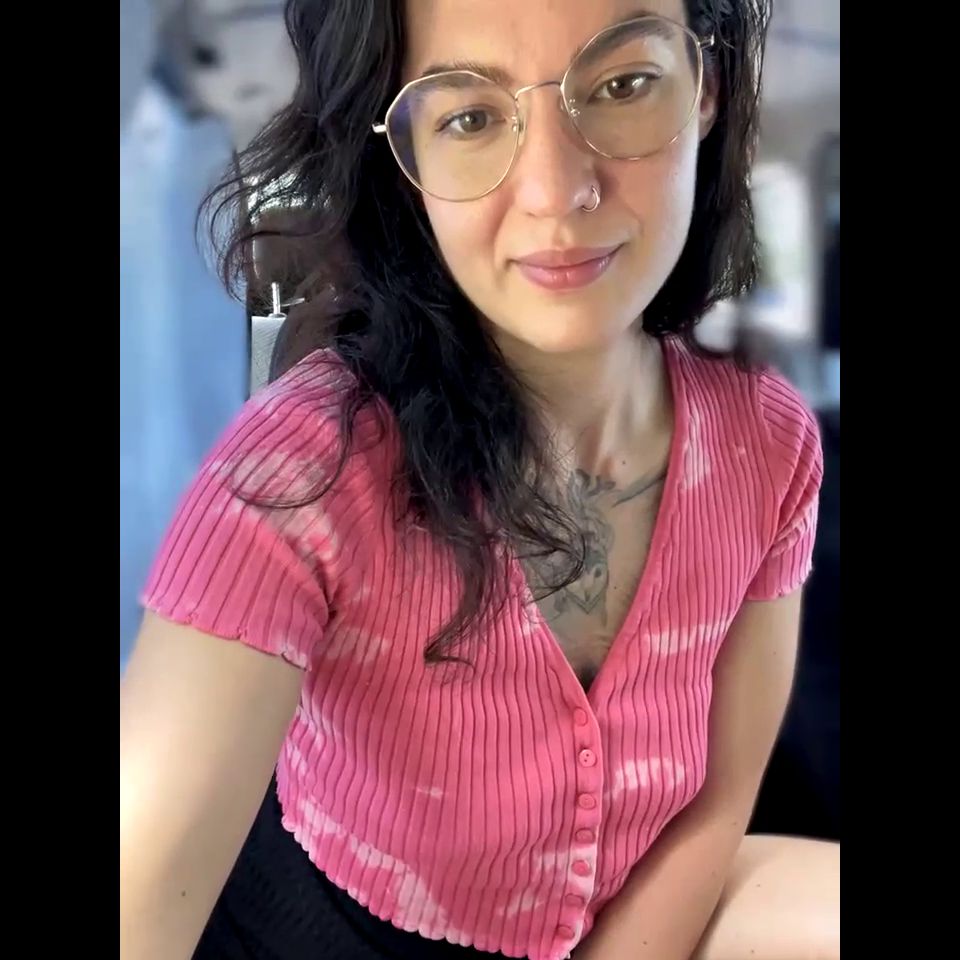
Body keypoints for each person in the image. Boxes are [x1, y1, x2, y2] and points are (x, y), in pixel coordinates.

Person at [119, 2, 840, 958]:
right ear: (402, 155)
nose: (557, 192)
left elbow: (716, 799)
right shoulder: (301, 474)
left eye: (622, 84)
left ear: (704, 87)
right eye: (469, 116)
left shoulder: (766, 443)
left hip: (631, 914)